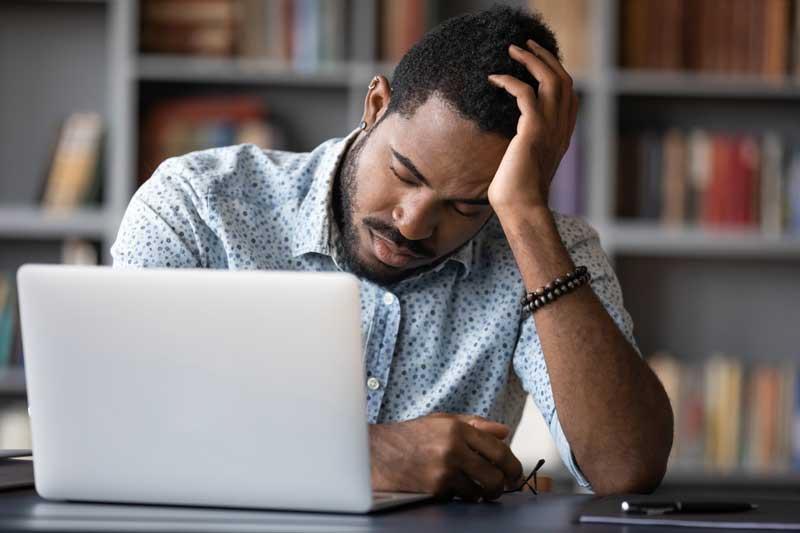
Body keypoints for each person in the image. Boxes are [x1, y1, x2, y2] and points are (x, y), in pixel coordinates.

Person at [111, 5, 673, 500]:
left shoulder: (545, 247)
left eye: (466, 206)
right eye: (404, 173)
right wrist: (363, 454)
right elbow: (117, 424)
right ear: (376, 104)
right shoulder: (198, 203)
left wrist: (525, 215)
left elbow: (623, 469)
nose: (413, 222)